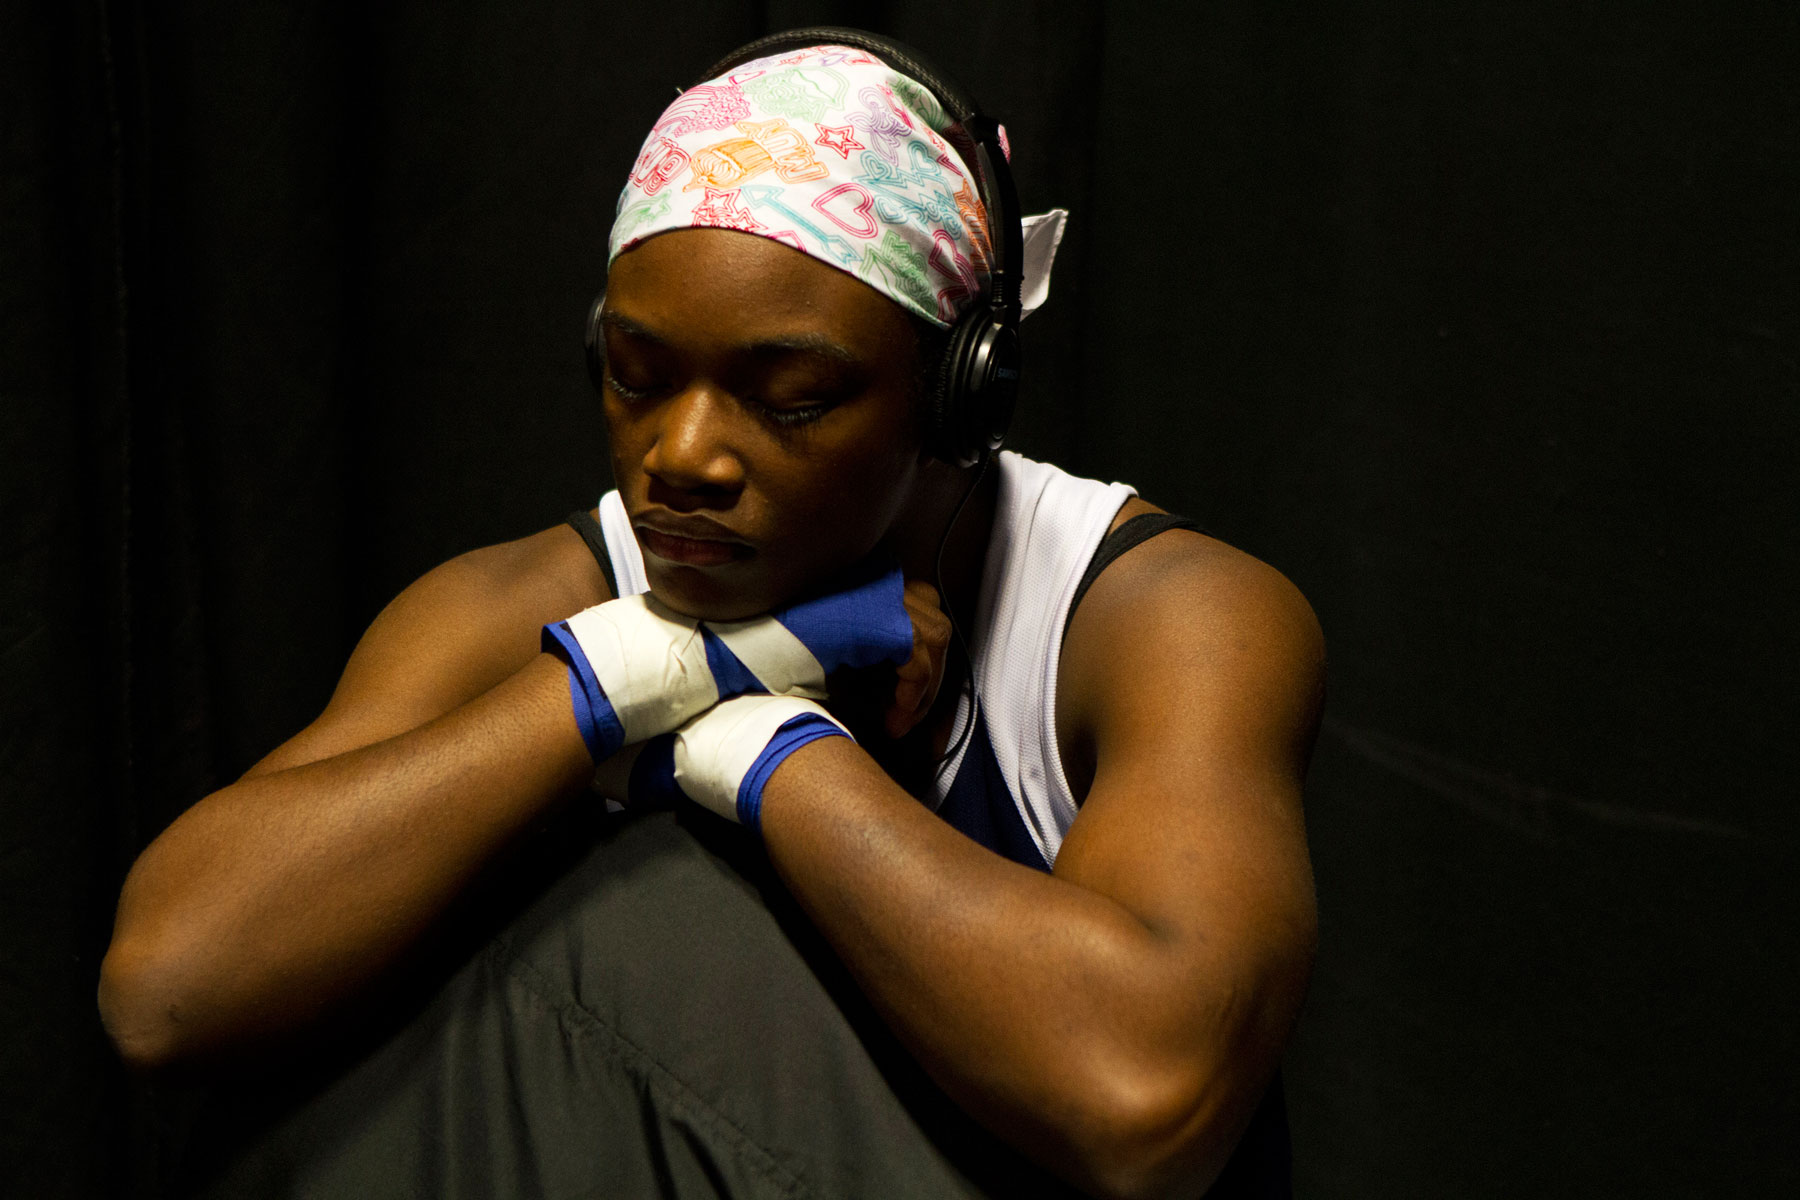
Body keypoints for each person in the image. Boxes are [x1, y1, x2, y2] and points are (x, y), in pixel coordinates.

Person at [99, 30, 1322, 1200]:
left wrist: (769, 751)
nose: (681, 455)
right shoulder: (542, 596)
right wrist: (648, 670)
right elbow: (167, 989)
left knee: (651, 914)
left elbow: (1144, 1104)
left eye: (788, 400)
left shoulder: (1162, 618)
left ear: (955, 401)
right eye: (638, 377)